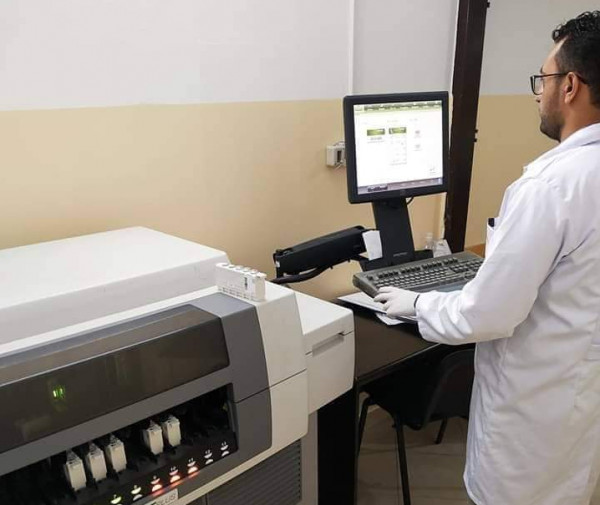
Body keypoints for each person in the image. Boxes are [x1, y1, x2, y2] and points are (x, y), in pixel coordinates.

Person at [374, 11, 600, 505]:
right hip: (577, 398)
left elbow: (488, 314)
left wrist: (417, 303)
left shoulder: (550, 187)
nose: (538, 93)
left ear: (570, 87)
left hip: (533, 417)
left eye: (544, 78)